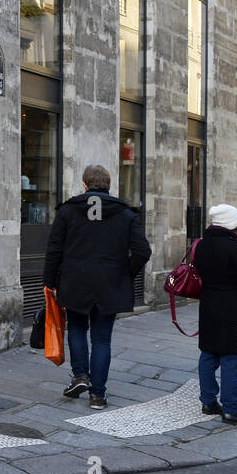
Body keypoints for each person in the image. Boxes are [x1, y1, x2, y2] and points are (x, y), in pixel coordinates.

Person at [42, 163, 151, 409]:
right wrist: (125, 273)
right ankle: (98, 395)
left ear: (84, 185)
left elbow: (54, 250)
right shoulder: (125, 213)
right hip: (110, 282)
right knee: (102, 339)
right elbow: (143, 251)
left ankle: (80, 375)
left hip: (74, 281)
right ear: (109, 186)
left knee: (77, 329)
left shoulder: (68, 211)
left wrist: (50, 281)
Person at [194, 204, 237, 426]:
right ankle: (232, 408)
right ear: (232, 225)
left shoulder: (201, 246)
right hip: (233, 307)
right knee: (232, 356)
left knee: (208, 354)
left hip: (209, 305)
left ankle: (208, 402)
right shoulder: (236, 248)